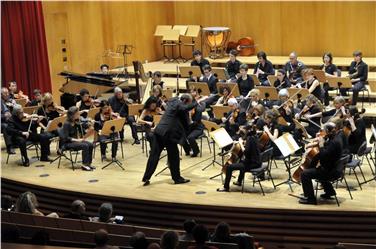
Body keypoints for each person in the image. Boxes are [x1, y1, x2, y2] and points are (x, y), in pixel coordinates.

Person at [142, 94, 197, 186]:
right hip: (168, 134)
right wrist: (196, 103)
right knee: (174, 157)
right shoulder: (180, 106)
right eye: (189, 103)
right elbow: (185, 110)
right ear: (186, 102)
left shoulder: (173, 102)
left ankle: (146, 177)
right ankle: (177, 178)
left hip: (159, 131)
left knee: (154, 155)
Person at [299, 122, 343, 205]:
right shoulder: (335, 138)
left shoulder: (334, 142)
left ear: (328, 131)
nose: (321, 132)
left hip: (330, 172)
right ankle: (329, 192)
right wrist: (317, 142)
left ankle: (310, 198)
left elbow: (323, 156)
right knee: (315, 167)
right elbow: (328, 149)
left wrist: (321, 144)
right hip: (335, 168)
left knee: (304, 174)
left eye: (323, 130)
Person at [217, 126, 262, 192]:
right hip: (258, 161)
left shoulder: (250, 139)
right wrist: (244, 143)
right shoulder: (255, 137)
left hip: (253, 164)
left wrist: (240, 144)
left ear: (248, 131)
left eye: (245, 131)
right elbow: (250, 149)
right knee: (241, 161)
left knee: (229, 167)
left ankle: (226, 187)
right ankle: (239, 181)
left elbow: (246, 153)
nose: (244, 133)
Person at [59, 106, 95, 171]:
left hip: (75, 142)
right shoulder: (67, 124)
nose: (79, 114)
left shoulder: (76, 121)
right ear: (73, 115)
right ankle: (84, 164)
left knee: (90, 145)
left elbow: (84, 125)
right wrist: (77, 140)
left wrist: (90, 124)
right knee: (85, 145)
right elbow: (66, 138)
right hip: (68, 143)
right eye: (77, 113)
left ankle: (88, 164)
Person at [182, 90, 206, 157]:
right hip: (190, 127)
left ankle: (196, 151)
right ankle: (188, 150)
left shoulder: (198, 109)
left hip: (197, 127)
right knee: (181, 136)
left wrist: (190, 119)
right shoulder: (186, 109)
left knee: (190, 137)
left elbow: (196, 122)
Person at [1, 88, 15, 154]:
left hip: (8, 120)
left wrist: (14, 104)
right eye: (5, 93)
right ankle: (9, 147)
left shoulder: (8, 101)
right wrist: (4, 116)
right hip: (2, 122)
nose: (7, 94)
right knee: (5, 126)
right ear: (1, 94)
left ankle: (17, 142)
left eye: (7, 93)